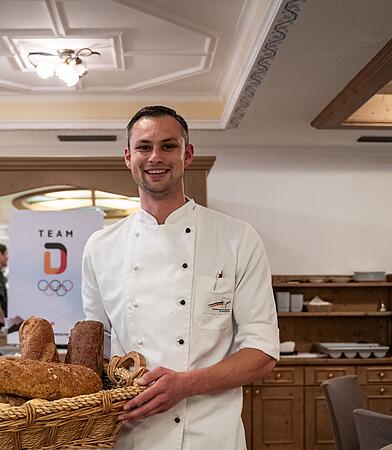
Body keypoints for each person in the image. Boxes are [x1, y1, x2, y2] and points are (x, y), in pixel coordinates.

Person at [81, 105, 279, 449]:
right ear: (128, 157)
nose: (155, 157)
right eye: (144, 147)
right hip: (131, 434)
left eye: (168, 146)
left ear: (187, 154)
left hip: (210, 435)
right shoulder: (101, 247)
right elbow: (92, 352)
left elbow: (262, 352)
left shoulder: (237, 238)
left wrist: (185, 385)